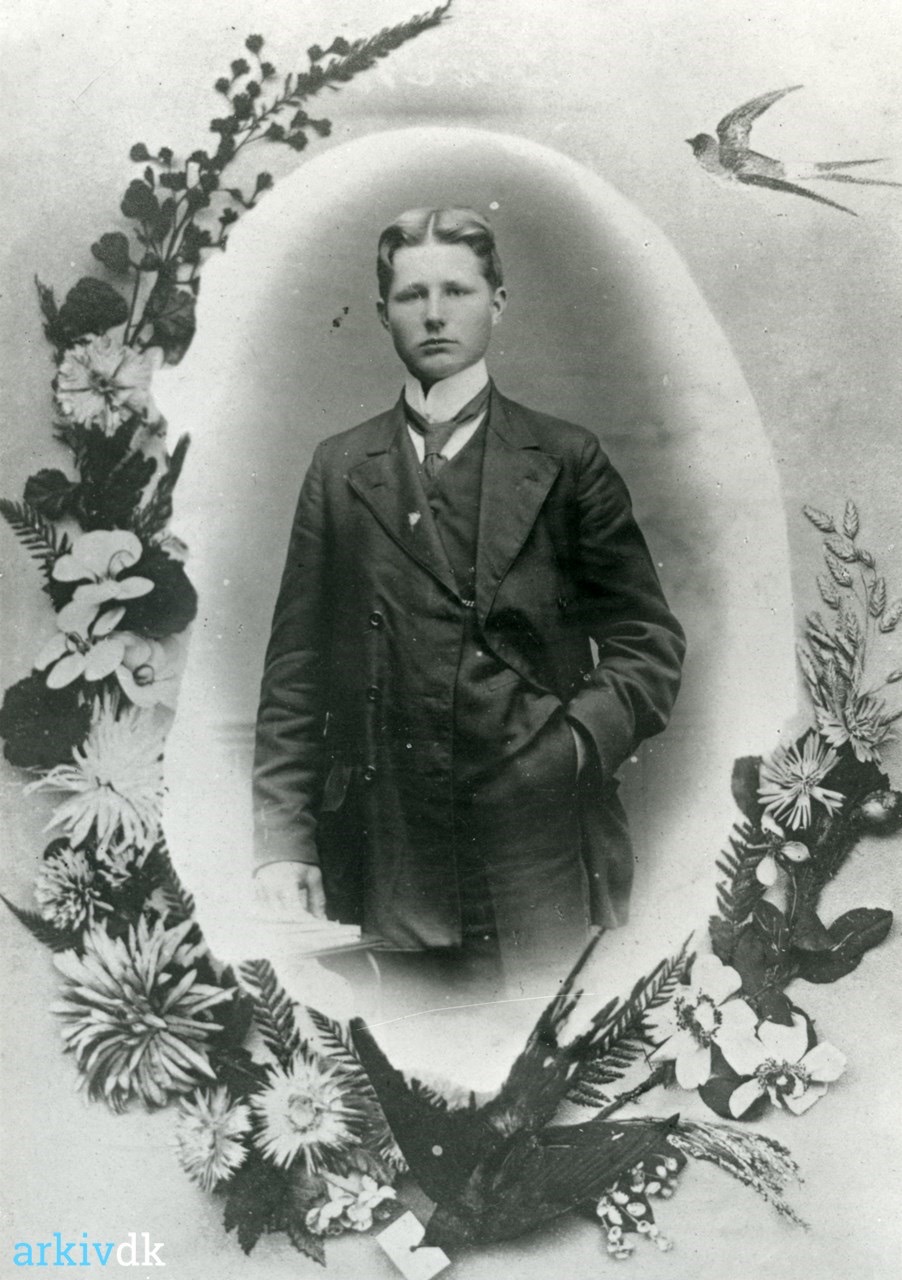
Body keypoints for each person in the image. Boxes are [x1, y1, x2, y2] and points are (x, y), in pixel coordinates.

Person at [252, 206, 685, 990]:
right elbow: (296, 672)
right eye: (412, 295)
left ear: (497, 302)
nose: (435, 313)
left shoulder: (565, 458)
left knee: (542, 1035)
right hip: (387, 847)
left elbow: (646, 643)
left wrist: (570, 750)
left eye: (456, 290)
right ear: (382, 312)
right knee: (409, 1048)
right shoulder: (340, 468)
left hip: (537, 839)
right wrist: (283, 842)